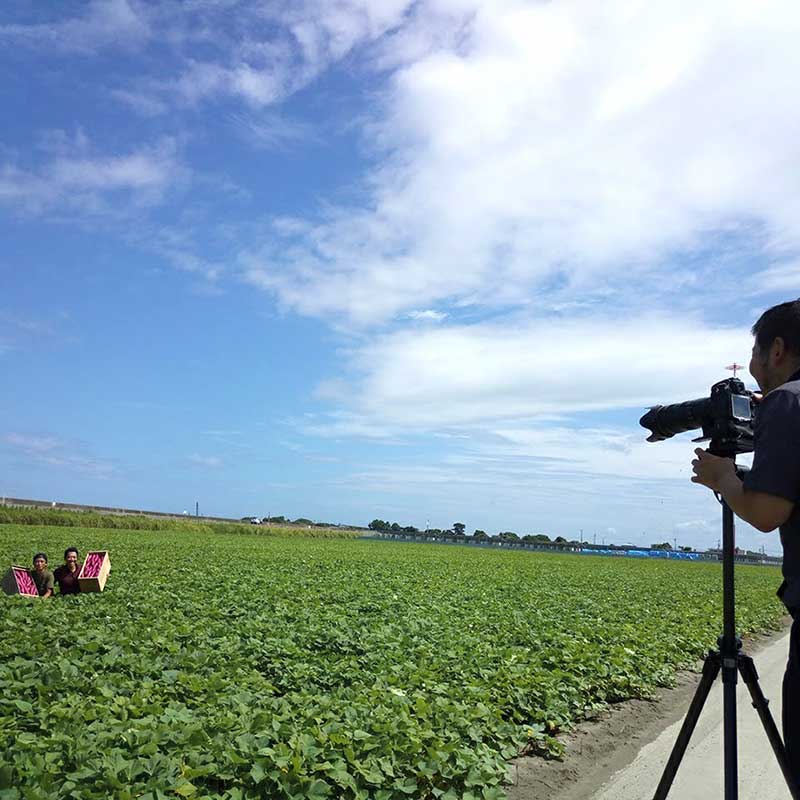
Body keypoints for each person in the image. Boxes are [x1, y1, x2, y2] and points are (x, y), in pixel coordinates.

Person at [691, 298, 800, 785]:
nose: (754, 370)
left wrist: (725, 479)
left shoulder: (789, 401)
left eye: (754, 355)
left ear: (776, 349)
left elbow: (766, 512)